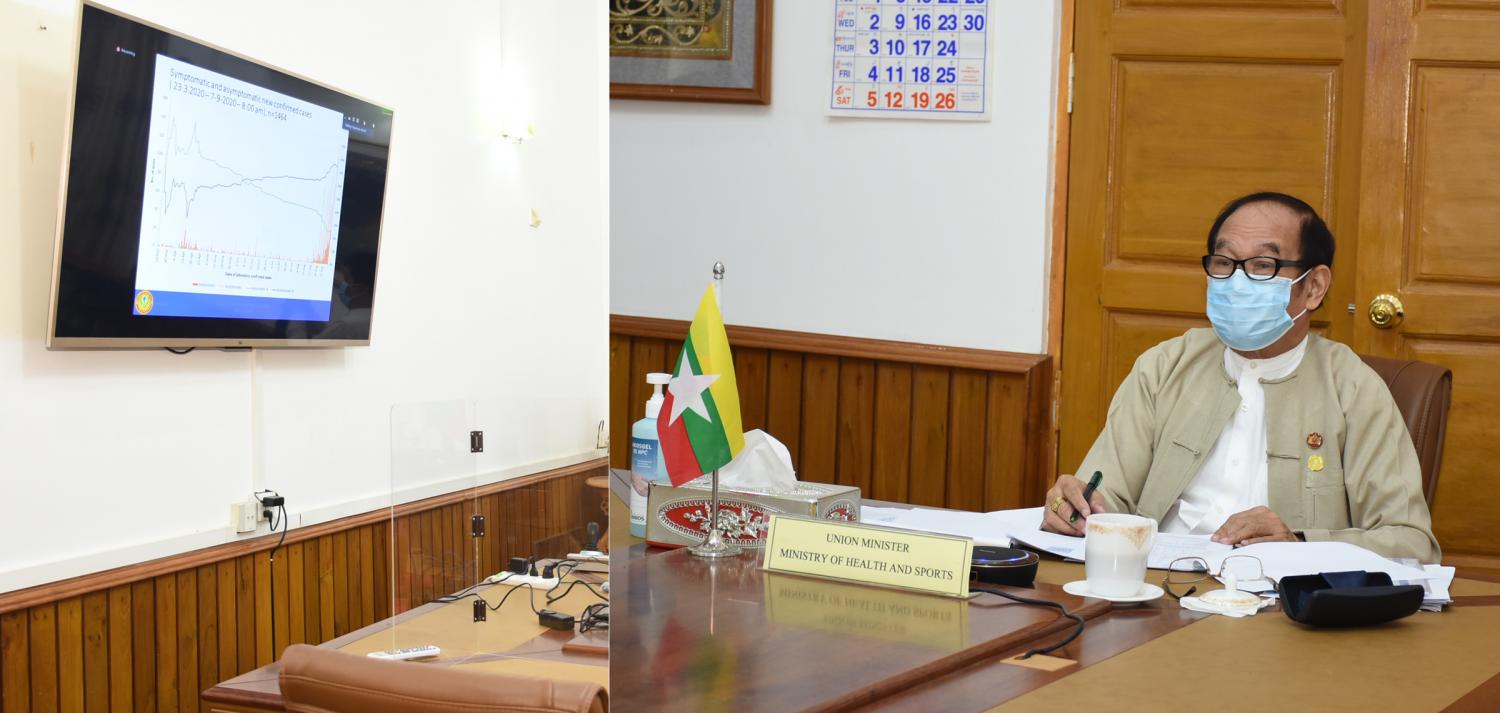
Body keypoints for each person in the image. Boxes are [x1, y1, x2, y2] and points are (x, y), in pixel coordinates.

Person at [1042, 192, 1440, 562]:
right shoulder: (1164, 367)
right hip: (1155, 583)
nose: (1236, 281)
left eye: (1263, 266)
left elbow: (1410, 543)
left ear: (1314, 287)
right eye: (1224, 263)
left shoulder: (1353, 388)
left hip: (1280, 599)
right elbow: (1105, 498)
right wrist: (1075, 508)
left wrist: (1299, 544)